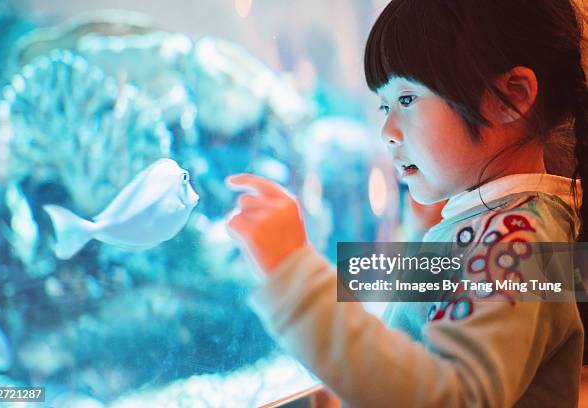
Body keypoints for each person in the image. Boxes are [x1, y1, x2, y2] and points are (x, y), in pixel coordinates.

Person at [225, 0, 588, 406]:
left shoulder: (518, 242)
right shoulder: (497, 226)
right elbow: (405, 338)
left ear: (510, 98)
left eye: (408, 99)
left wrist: (294, 279)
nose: (387, 130)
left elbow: (453, 396)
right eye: (384, 105)